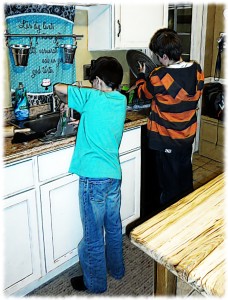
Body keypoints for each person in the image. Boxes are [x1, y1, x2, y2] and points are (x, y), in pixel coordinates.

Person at [53, 56, 126, 293]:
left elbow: (57, 88)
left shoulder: (92, 97)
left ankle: (94, 284)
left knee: (93, 236)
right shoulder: (120, 100)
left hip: (93, 179)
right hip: (113, 176)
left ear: (97, 81)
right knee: (113, 227)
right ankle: (117, 270)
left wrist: (81, 92)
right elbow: (98, 120)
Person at [136, 28, 204, 206]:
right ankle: (186, 215)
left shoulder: (159, 76)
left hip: (167, 140)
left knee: (168, 189)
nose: (158, 60)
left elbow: (143, 94)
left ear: (164, 56)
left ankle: (169, 224)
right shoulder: (197, 70)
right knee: (184, 180)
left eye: (158, 56)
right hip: (187, 137)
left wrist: (142, 76)